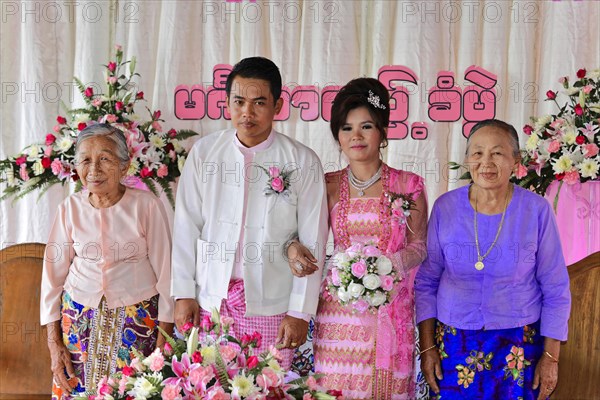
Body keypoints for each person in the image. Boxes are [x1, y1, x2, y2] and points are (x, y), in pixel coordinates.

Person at [171, 57, 328, 369]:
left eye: (259, 103)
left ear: (277, 106)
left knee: (269, 389)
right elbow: (187, 226)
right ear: (227, 103)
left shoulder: (302, 160)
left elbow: (314, 240)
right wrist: (183, 294)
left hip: (272, 304)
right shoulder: (205, 153)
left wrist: (298, 312)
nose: (247, 112)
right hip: (212, 300)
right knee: (210, 388)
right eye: (239, 101)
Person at [288, 77, 428, 399]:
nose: (356, 136)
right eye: (347, 128)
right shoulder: (326, 185)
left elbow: (419, 247)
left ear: (382, 131)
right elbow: (298, 235)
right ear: (337, 135)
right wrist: (292, 247)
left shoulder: (409, 185)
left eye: (366, 126)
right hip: (338, 317)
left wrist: (386, 267)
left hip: (391, 313)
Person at [415, 119, 571, 400]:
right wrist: (427, 349)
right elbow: (426, 282)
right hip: (454, 343)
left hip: (519, 344)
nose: (486, 162)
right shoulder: (445, 207)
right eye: (477, 153)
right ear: (466, 160)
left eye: (497, 153)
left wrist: (551, 358)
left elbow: (556, 288)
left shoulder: (536, 210)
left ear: (516, 160)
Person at [40, 124, 174, 399]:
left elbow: (168, 276)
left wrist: (163, 348)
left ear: (124, 166)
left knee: (134, 391)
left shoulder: (146, 205)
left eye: (105, 159)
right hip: (77, 321)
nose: (94, 169)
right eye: (85, 160)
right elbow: (52, 281)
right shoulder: (69, 208)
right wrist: (54, 345)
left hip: (137, 321)